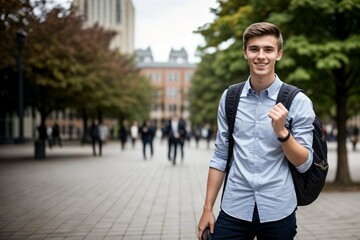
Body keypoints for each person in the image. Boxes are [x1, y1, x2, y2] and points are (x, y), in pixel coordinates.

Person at [197, 22, 315, 240]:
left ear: (279, 54)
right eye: (254, 49)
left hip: (278, 210)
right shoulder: (230, 98)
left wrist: (282, 133)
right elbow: (221, 155)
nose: (261, 56)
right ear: (245, 53)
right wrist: (207, 208)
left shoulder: (298, 101)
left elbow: (304, 162)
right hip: (234, 207)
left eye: (268, 49)